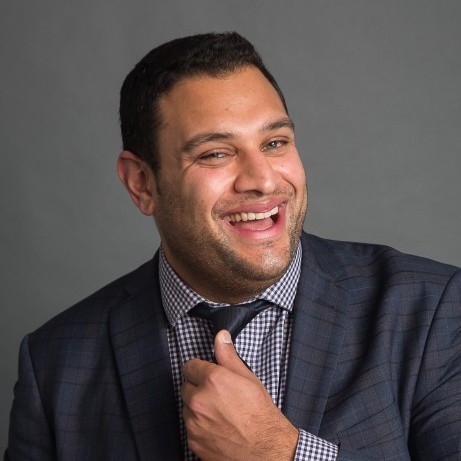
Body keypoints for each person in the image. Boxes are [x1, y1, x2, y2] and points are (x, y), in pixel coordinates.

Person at [5, 32, 461, 461]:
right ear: (141, 183)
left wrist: (279, 452)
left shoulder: (430, 311)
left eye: (275, 143)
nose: (262, 180)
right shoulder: (55, 365)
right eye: (216, 153)